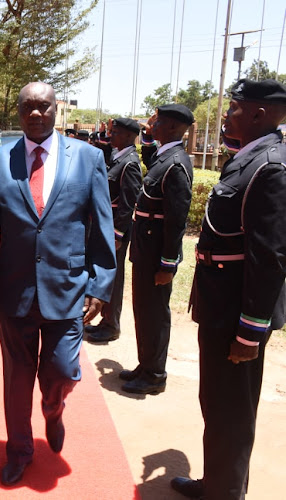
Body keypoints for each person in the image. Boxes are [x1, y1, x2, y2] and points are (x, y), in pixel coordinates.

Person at [0, 82, 115, 486]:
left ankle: (53, 407)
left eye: (44, 106)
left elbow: (102, 225)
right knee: (16, 378)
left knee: (63, 371)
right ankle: (18, 450)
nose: (36, 114)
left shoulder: (87, 158)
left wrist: (100, 284)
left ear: (56, 110)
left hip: (67, 288)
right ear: (18, 112)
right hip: (14, 291)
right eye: (28, 108)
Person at [171, 79, 286, 500]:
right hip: (221, 308)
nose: (227, 114)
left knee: (232, 411)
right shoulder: (249, 158)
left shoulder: (271, 166)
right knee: (217, 404)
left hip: (237, 313)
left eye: (235, 107)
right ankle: (219, 483)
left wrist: (250, 331)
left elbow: (269, 256)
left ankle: (226, 493)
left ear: (258, 114)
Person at [122, 104, 194, 395]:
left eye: (159, 123)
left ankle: (155, 374)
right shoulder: (164, 157)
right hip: (145, 248)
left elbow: (176, 220)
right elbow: (148, 148)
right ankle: (146, 363)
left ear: (175, 128)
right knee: (143, 309)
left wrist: (168, 263)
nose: (153, 128)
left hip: (156, 254)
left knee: (154, 312)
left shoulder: (176, 163)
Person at [86, 118, 143, 343]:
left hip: (114, 230)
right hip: (105, 226)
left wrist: (118, 233)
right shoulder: (117, 157)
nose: (111, 136)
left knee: (114, 278)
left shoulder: (129, 163)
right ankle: (105, 319)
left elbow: (128, 203)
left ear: (129, 136)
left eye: (116, 133)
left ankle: (112, 324)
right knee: (104, 273)